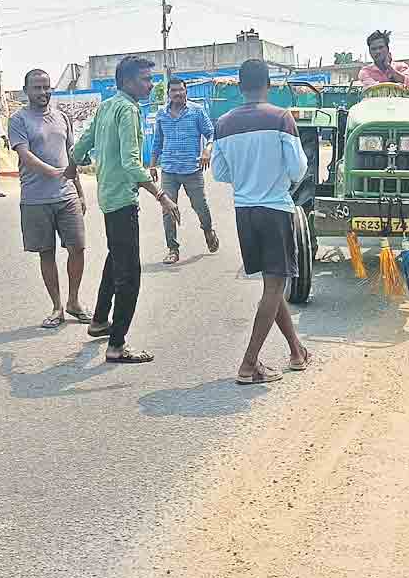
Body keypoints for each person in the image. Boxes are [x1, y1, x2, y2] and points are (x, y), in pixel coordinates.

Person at [68, 56, 181, 364]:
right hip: (121, 199)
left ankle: (99, 321)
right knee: (129, 275)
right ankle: (117, 345)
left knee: (116, 256)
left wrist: (72, 164)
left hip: (109, 196)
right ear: (128, 82)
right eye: (146, 79)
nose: (151, 85)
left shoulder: (107, 106)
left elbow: (83, 143)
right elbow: (132, 163)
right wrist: (162, 196)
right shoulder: (128, 110)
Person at [211, 59, 312, 384]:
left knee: (272, 284)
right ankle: (249, 364)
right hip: (275, 209)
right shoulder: (281, 118)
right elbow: (298, 169)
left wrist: (247, 177)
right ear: (269, 84)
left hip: (245, 211)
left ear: (240, 86)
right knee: (274, 285)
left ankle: (297, 352)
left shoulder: (223, 123)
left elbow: (219, 172)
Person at [9, 69, 90, 329]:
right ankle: (57, 307)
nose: (43, 92)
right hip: (36, 199)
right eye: (37, 88)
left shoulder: (62, 117)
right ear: (26, 91)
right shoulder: (18, 120)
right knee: (47, 252)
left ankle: (74, 301)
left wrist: (79, 191)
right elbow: (24, 155)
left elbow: (71, 156)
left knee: (77, 248)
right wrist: (54, 172)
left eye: (47, 87)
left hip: (67, 196)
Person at [150, 77, 218, 265]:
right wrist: (153, 165)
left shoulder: (197, 111)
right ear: (168, 93)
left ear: (186, 91)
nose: (178, 93)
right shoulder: (162, 114)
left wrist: (207, 150)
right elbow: (157, 141)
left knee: (200, 206)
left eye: (181, 90)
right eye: (174, 90)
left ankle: (208, 230)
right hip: (169, 170)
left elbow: (211, 133)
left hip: (192, 170)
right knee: (167, 209)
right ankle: (172, 249)